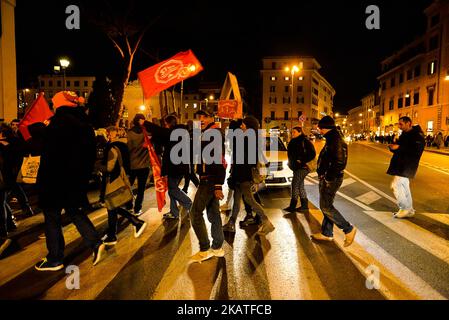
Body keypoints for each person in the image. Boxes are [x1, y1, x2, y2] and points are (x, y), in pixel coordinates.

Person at [35, 91, 105, 272]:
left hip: (54, 179)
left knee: (52, 217)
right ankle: (95, 242)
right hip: (76, 179)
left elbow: (47, 151)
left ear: (58, 105)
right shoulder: (85, 124)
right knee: (75, 212)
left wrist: (40, 131)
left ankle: (55, 258)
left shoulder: (57, 125)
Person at [311, 116, 357, 247]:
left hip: (332, 178)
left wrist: (328, 177)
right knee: (327, 205)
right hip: (329, 177)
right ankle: (327, 233)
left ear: (325, 128)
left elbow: (339, 162)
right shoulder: (333, 138)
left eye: (320, 127)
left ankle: (348, 229)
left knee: (326, 206)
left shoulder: (335, 139)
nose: (319, 130)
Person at [189, 110, 227, 263]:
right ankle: (217, 247)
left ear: (212, 118)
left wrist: (218, 185)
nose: (201, 119)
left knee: (195, 213)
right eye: (199, 117)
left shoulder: (213, 134)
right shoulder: (208, 133)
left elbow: (219, 160)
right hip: (209, 179)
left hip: (210, 180)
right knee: (213, 213)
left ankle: (204, 249)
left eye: (204, 117)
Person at [228, 116, 275, 236]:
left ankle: (266, 222)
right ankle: (231, 222)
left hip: (244, 176)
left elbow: (246, 162)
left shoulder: (248, 140)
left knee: (249, 200)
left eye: (243, 125)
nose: (241, 126)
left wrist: (236, 176)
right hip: (240, 176)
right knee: (237, 201)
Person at [101, 126, 147, 245]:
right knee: (112, 208)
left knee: (112, 207)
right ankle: (111, 234)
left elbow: (110, 167)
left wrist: (97, 167)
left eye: (107, 133)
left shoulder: (111, 147)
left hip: (112, 180)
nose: (106, 135)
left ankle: (136, 222)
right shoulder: (123, 145)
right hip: (121, 177)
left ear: (111, 134)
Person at [144, 115, 192, 220]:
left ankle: (188, 203)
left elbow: (161, 132)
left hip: (175, 167)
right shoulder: (181, 132)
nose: (165, 126)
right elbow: (165, 140)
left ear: (169, 123)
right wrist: (153, 137)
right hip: (179, 166)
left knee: (173, 190)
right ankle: (174, 212)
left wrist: (145, 123)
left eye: (165, 124)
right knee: (172, 189)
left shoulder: (175, 132)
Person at [387, 116, 425, 219]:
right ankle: (410, 210)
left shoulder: (417, 136)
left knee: (395, 186)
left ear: (408, 123)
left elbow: (416, 151)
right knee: (404, 187)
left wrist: (399, 147)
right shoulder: (405, 134)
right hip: (401, 165)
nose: (399, 126)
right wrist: (393, 147)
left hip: (407, 166)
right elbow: (401, 148)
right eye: (399, 124)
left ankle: (404, 208)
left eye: (401, 124)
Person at [284, 126, 316, 213]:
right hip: (296, 167)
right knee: (300, 185)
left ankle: (292, 206)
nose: (292, 133)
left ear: (300, 132)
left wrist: (302, 160)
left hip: (303, 167)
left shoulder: (304, 141)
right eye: (292, 132)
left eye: (294, 132)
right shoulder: (293, 141)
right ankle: (304, 206)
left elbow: (312, 153)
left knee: (294, 185)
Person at [127, 114, 151, 216]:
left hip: (132, 164)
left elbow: (129, 148)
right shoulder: (147, 132)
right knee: (141, 189)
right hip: (144, 165)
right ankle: (137, 208)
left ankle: (128, 205)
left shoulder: (130, 133)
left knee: (128, 186)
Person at [0, 124, 15, 256]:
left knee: (1, 204)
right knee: (3, 202)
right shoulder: (9, 145)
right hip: (6, 179)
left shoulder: (3, 146)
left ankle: (3, 232)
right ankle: (10, 224)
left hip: (2, 180)